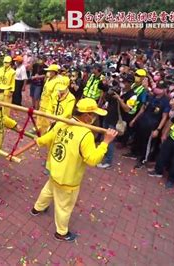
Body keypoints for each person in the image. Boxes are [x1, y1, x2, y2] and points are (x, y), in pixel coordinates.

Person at [31, 98, 118, 242]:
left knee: (48, 190)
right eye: (93, 114)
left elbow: (47, 138)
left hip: (55, 170)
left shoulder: (62, 122)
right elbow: (92, 160)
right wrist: (105, 142)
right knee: (64, 206)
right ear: (86, 116)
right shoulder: (86, 134)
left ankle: (37, 208)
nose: (95, 118)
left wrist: (38, 141)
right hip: (68, 179)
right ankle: (61, 232)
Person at [130, 81, 170, 168]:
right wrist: (134, 119)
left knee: (147, 144)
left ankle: (143, 160)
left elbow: (164, 117)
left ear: (164, 90)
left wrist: (158, 130)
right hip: (142, 121)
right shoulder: (151, 96)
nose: (157, 89)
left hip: (152, 126)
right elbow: (142, 109)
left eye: (160, 88)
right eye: (157, 86)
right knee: (137, 139)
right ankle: (134, 153)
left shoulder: (165, 102)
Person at [36, 64, 61, 134]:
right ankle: (38, 129)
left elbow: (55, 95)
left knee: (46, 120)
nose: (48, 73)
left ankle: (44, 133)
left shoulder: (57, 82)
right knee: (39, 117)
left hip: (48, 104)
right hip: (43, 101)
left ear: (54, 72)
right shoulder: (48, 79)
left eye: (50, 71)